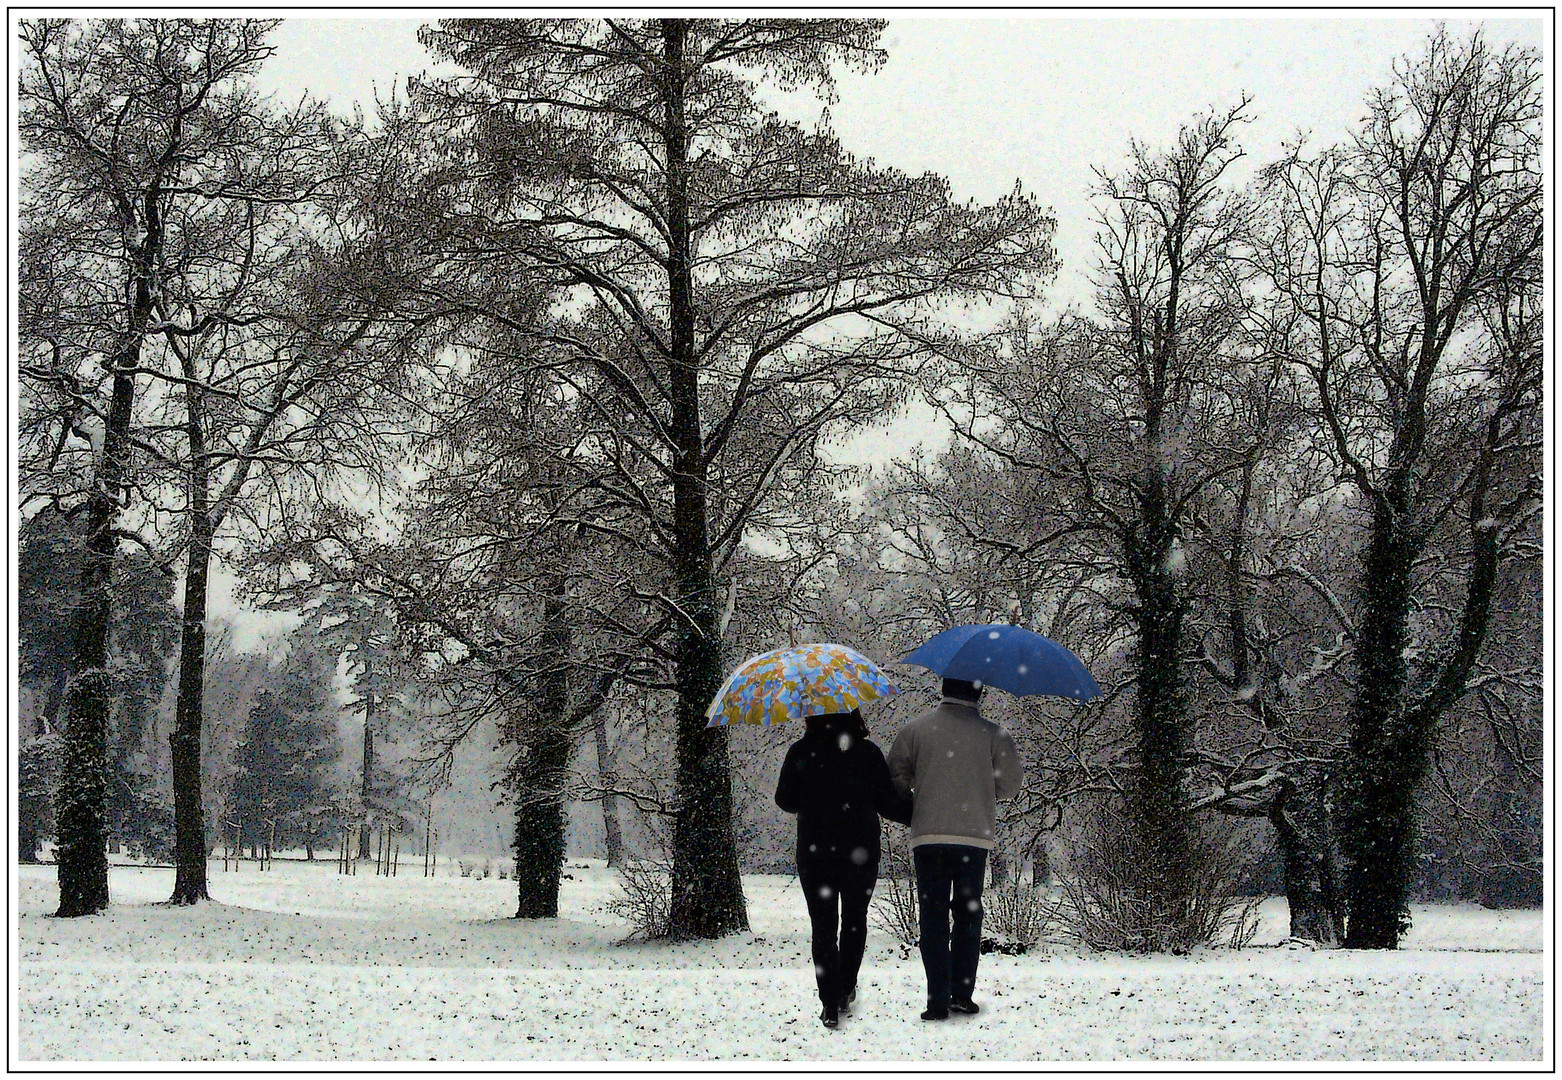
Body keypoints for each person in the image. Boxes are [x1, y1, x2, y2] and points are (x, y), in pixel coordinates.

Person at [886, 677, 1022, 1021]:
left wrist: (918, 798)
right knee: (967, 914)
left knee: (932, 917)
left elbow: (895, 778)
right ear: (979, 693)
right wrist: (978, 786)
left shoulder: (915, 730)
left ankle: (936, 999)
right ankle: (962, 993)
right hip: (973, 837)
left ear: (943, 689)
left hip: (928, 836)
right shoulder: (994, 734)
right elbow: (1010, 785)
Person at [775, 708, 913, 1030]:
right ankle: (845, 988)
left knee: (823, 927)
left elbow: (784, 798)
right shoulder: (867, 752)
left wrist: (812, 801)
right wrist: (922, 813)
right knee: (854, 921)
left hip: (815, 851)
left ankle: (828, 1003)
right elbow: (888, 804)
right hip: (859, 851)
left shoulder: (801, 751)